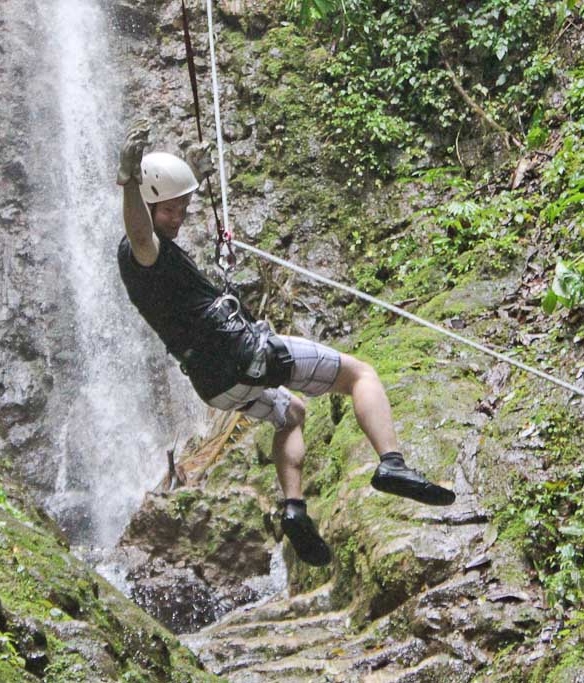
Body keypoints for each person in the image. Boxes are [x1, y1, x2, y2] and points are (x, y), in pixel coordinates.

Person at [115, 120, 455, 566]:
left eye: (184, 209)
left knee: (292, 412)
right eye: (169, 211)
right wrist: (128, 181)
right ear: (147, 205)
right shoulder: (143, 251)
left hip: (214, 383)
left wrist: (192, 176)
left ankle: (294, 510)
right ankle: (392, 462)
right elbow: (141, 231)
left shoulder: (158, 261)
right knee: (360, 375)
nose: (177, 219)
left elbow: (153, 229)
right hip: (245, 355)